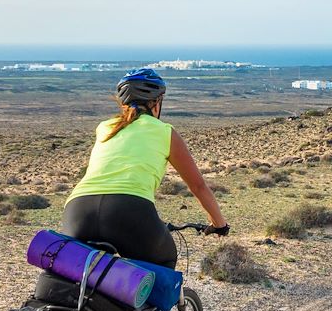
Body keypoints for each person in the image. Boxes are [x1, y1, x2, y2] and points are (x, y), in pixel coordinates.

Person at [61, 68, 228, 269]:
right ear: (156, 103)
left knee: (77, 272)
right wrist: (220, 224)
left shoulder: (104, 127)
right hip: (129, 209)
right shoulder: (164, 132)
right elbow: (198, 186)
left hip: (78, 210)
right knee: (162, 262)